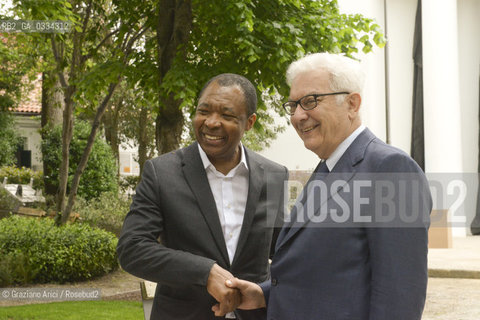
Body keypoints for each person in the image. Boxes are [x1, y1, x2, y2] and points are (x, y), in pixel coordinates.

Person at [214, 53, 432, 319]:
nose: (298, 116)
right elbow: (330, 275)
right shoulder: (327, 167)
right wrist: (264, 294)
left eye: (310, 101)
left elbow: (399, 296)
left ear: (352, 103)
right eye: (293, 105)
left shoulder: (389, 169)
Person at [117, 73, 288, 319]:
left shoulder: (274, 175)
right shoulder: (161, 172)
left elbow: (283, 253)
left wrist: (267, 292)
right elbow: (132, 249)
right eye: (203, 111)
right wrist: (205, 272)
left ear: (249, 122)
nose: (211, 122)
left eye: (227, 115)